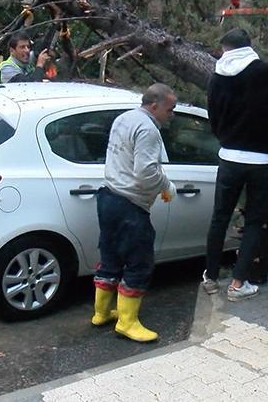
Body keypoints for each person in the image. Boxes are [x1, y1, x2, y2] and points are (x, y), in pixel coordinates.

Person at [202, 28, 268, 301]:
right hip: (262, 160)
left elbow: (213, 116)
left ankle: (210, 277)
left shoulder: (217, 76)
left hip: (229, 157)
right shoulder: (267, 73)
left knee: (220, 217)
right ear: (249, 47)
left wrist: (227, 139)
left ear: (225, 48)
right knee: (256, 220)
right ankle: (239, 284)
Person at [91, 84, 178, 342]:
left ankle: (102, 312)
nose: (171, 114)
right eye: (169, 109)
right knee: (139, 263)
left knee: (110, 257)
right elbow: (145, 171)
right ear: (154, 105)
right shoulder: (148, 129)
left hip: (108, 197)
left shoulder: (124, 118)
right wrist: (166, 185)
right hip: (130, 204)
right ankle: (127, 323)